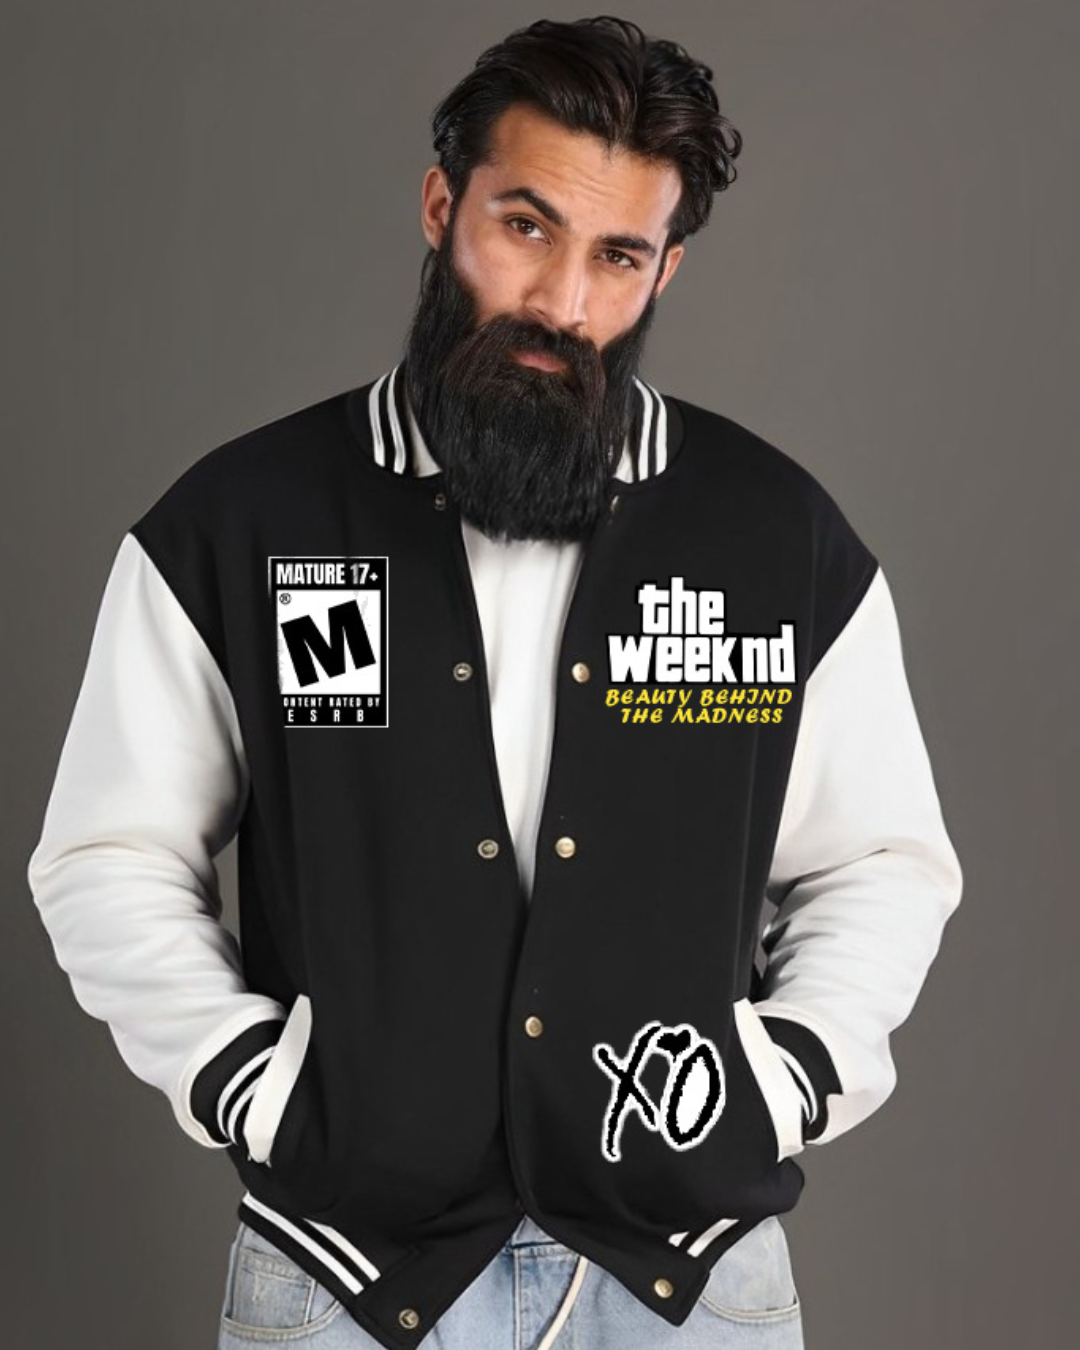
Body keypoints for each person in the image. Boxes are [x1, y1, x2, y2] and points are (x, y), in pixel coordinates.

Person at [26, 16, 963, 1350]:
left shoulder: (774, 538)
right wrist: (251, 1085)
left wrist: (787, 1077)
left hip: (689, 1283)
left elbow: (882, 860)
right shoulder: (247, 520)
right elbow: (107, 851)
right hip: (342, 1279)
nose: (563, 303)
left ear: (665, 268)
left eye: (617, 256)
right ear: (441, 206)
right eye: (526, 226)